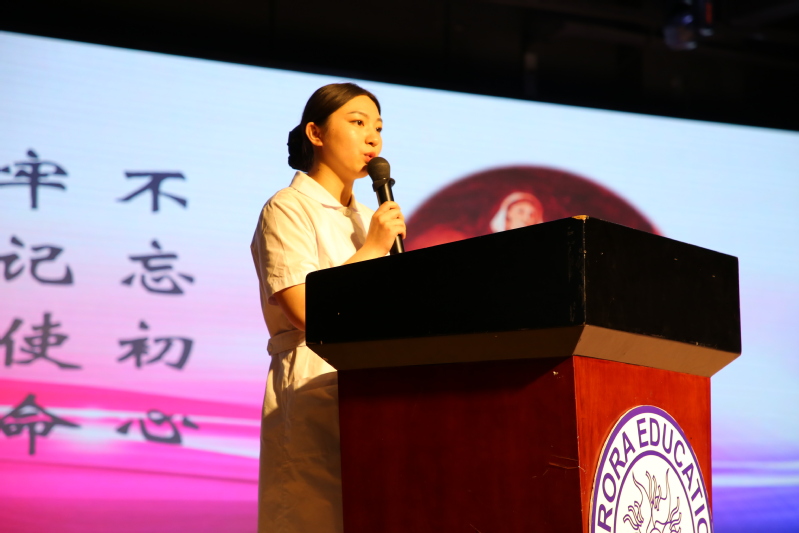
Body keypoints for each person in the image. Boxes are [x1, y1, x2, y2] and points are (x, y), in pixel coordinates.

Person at [250, 83, 406, 533]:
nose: (373, 138)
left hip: (373, 394)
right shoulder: (288, 207)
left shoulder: (366, 218)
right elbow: (304, 308)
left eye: (378, 128)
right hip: (310, 383)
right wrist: (372, 250)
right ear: (315, 134)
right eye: (357, 123)